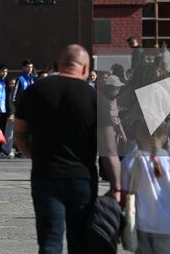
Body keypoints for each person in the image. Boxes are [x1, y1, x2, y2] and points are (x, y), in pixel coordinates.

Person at [14, 44, 121, 254]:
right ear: (84, 68)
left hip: (45, 176)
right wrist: (117, 187)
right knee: (80, 242)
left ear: (60, 64)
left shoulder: (34, 91)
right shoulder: (95, 98)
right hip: (82, 179)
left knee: (49, 241)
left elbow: (19, 137)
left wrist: (38, 156)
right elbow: (109, 149)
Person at [121, 120, 170, 253]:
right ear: (165, 137)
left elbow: (124, 194)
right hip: (168, 227)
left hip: (140, 226)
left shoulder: (130, 161)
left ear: (138, 136)